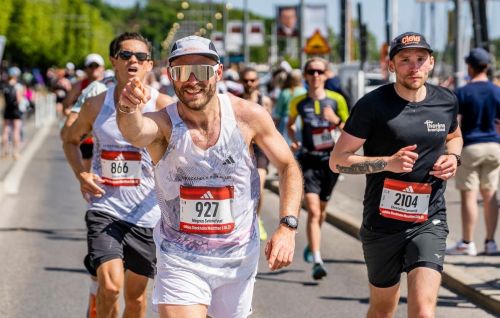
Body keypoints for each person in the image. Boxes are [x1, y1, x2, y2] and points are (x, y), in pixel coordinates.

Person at [116, 35, 303, 318]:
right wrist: (128, 108)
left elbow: (288, 165)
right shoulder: (165, 123)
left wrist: (287, 226)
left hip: (237, 257)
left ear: (218, 72)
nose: (192, 80)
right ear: (170, 76)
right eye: (181, 71)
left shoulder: (248, 116)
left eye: (201, 70)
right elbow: (136, 131)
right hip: (179, 256)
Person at [330, 32, 463, 317]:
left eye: (420, 59)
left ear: (431, 63)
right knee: (383, 309)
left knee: (423, 311)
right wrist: (386, 163)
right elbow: (337, 161)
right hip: (382, 223)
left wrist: (454, 157)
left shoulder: (446, 101)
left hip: (429, 218)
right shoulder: (371, 106)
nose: (413, 67)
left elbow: (454, 136)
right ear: (391, 66)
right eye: (405, 60)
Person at [62, 32, 173, 318]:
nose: (132, 60)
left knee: (135, 300)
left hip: (147, 215)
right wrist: (81, 175)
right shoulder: (96, 104)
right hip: (105, 208)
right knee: (110, 287)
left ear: (150, 64)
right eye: (125, 55)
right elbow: (69, 139)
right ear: (114, 61)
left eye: (140, 56)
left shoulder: (163, 108)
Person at [287, 57, 349, 280]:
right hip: (308, 160)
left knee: (322, 210)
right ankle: (317, 259)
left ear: (325, 75)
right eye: (310, 72)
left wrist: (335, 120)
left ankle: (313, 243)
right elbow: (290, 124)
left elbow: (350, 131)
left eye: (319, 72)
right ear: (305, 75)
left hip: (330, 162)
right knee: (313, 211)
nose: (315, 76)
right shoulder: (298, 102)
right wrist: (294, 139)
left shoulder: (337, 100)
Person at [446, 47, 500, 256]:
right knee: (490, 194)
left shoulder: (463, 92)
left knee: (469, 194)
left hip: (470, 146)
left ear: (469, 66)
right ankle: (490, 242)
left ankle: (467, 242)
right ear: (487, 66)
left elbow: (454, 123)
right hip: (494, 146)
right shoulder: (497, 91)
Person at [240, 66, 273, 241]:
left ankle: (256, 219)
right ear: (241, 81)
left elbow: (271, 128)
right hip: (241, 148)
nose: (249, 83)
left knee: (259, 185)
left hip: (260, 148)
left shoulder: (265, 101)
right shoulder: (235, 101)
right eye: (246, 80)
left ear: (257, 81)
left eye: (252, 80)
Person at [63, 53, 105, 172]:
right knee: (86, 172)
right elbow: (65, 106)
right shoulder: (79, 85)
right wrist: (76, 117)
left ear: (102, 68)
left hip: (104, 136)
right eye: (90, 66)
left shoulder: (111, 85)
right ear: (86, 69)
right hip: (85, 136)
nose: (93, 69)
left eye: (96, 66)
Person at [273, 69, 306, 140]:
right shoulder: (304, 91)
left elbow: (278, 112)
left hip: (285, 121)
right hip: (299, 121)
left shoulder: (284, 92)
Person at [1, 66, 25, 159]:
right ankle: (15, 152)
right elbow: (19, 100)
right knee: (16, 131)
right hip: (16, 110)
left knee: (6, 130)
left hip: (7, 109)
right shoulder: (18, 85)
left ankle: (4, 152)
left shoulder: (5, 85)